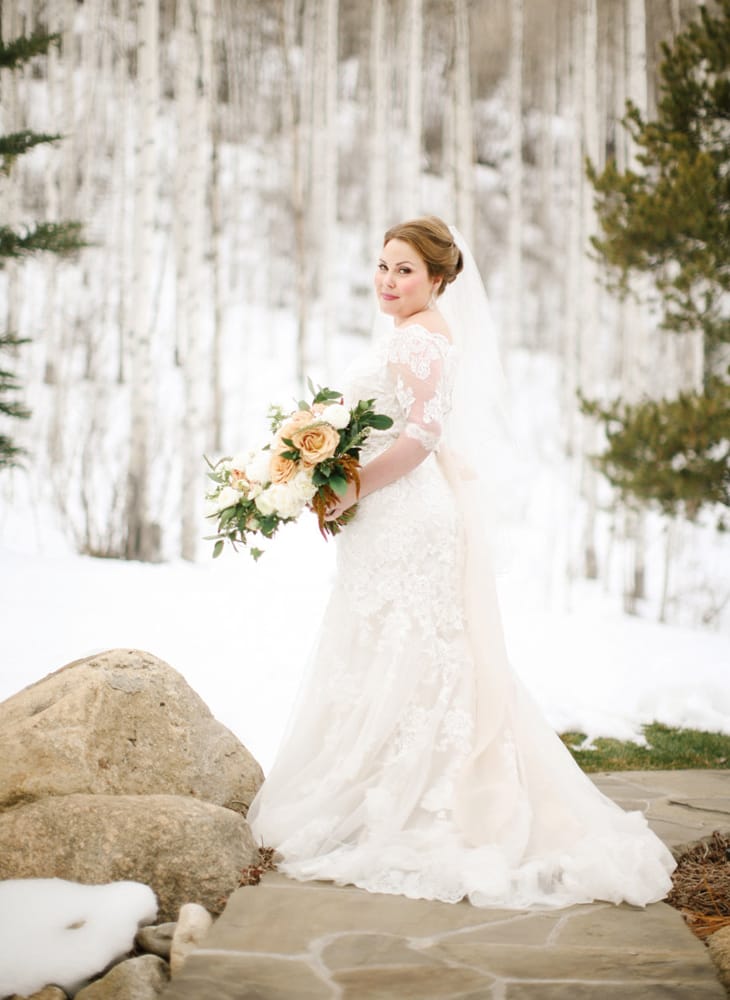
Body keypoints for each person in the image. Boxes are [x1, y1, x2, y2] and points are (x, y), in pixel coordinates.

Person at [247, 216, 676, 909]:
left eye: (406, 270)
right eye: (383, 266)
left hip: (407, 515)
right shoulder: (415, 334)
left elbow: (419, 437)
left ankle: (415, 801)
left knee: (413, 647)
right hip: (393, 514)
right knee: (394, 648)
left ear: (439, 278)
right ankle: (383, 783)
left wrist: (347, 485)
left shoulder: (422, 340)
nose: (389, 281)